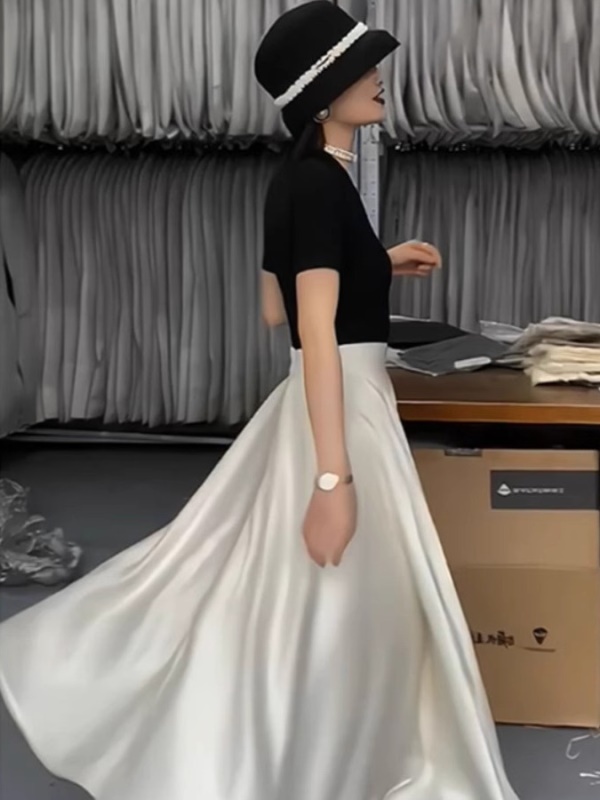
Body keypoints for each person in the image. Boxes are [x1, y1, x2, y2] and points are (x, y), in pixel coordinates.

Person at [0, 3, 519, 799]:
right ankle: (323, 756)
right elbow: (312, 330)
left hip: (323, 398)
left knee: (280, 581)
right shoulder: (319, 186)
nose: (380, 78)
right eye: (362, 68)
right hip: (344, 402)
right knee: (340, 589)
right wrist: (332, 480)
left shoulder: (301, 180)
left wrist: (374, 262)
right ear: (322, 92)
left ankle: (314, 746)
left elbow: (275, 307)